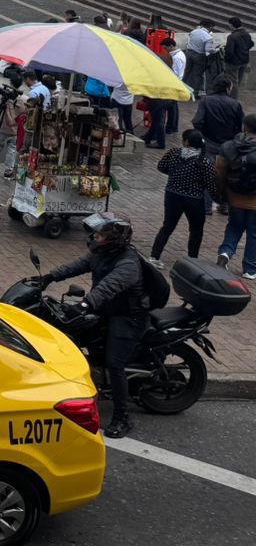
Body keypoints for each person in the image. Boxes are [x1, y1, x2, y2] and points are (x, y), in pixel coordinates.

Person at [34, 213, 149, 438]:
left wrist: (86, 303)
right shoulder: (102, 253)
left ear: (113, 239)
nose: (94, 238)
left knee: (114, 363)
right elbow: (79, 265)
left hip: (128, 317)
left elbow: (108, 287)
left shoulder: (128, 263)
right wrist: (49, 277)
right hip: (107, 309)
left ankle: (122, 417)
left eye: (100, 235)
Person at [150, 129, 216, 262]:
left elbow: (161, 167)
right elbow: (210, 183)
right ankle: (193, 259)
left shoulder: (173, 153)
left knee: (168, 226)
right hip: (194, 199)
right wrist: (219, 198)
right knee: (196, 230)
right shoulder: (204, 161)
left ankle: (154, 256)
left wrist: (175, 175)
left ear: (186, 142)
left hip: (172, 195)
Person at [215, 113, 256, 280]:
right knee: (254, 234)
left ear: (244, 126)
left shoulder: (230, 146)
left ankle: (226, 252)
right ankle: (250, 269)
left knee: (233, 227)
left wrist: (221, 193)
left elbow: (219, 171)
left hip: (235, 196)